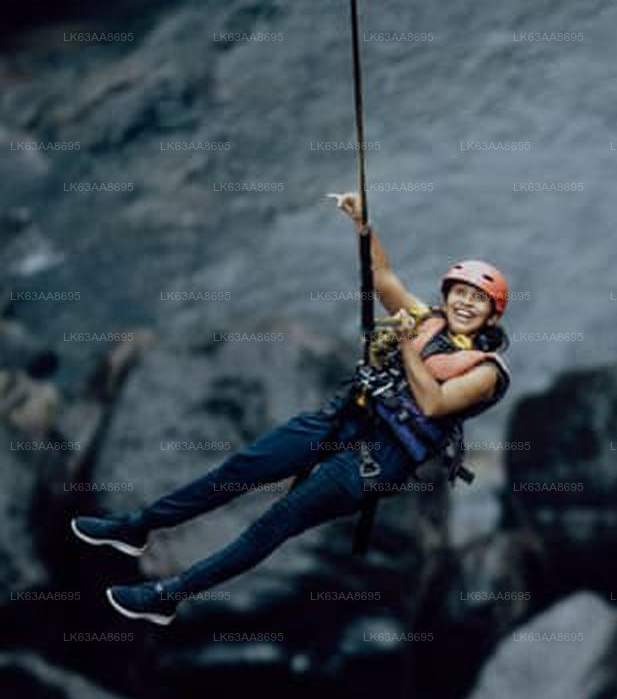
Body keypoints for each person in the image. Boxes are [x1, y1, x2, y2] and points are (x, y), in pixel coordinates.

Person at [70, 192, 511, 625]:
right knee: (239, 470)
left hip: (376, 459)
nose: (466, 303)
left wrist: (406, 346)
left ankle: (167, 595)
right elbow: (382, 275)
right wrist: (364, 226)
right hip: (345, 418)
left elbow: (434, 404)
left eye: (479, 300)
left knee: (278, 520)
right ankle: (137, 527)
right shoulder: (423, 319)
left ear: (492, 316)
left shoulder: (486, 372)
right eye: (460, 293)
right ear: (447, 294)